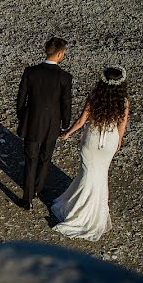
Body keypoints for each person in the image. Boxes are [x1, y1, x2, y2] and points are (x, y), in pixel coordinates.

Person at [51, 66, 130, 241]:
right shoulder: (123, 101)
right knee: (101, 176)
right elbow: (122, 125)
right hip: (109, 141)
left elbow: (82, 120)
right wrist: (118, 141)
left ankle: (78, 212)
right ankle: (95, 214)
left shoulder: (95, 96)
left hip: (92, 140)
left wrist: (68, 132)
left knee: (87, 174)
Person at [16, 37, 73, 210]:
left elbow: (21, 99)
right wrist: (65, 124)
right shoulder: (64, 77)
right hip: (52, 124)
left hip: (32, 122)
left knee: (30, 159)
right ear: (60, 54)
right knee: (45, 157)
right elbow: (66, 103)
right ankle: (38, 189)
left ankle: (27, 198)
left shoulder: (30, 72)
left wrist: (23, 117)